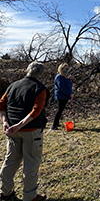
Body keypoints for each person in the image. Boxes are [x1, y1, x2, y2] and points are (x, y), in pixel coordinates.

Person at [0, 62, 48, 201]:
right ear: (41, 74)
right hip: (31, 131)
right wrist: (20, 125)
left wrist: (5, 122)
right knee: (31, 163)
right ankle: (30, 196)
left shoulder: (12, 86)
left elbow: (1, 105)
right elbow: (37, 110)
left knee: (11, 161)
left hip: (12, 130)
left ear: (27, 71)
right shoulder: (39, 88)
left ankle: (4, 192)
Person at [51, 63, 73, 130]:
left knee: (61, 110)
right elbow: (61, 87)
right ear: (62, 69)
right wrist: (69, 94)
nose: (67, 70)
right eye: (66, 68)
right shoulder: (59, 77)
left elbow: (68, 85)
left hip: (65, 96)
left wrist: (69, 79)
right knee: (59, 110)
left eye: (67, 68)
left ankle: (57, 123)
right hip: (61, 96)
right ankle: (54, 126)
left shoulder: (64, 77)